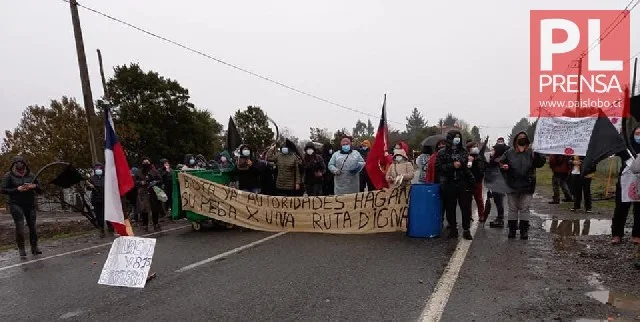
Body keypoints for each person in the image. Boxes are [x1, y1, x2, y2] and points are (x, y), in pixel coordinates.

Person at [500, 131, 546, 240]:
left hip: (527, 185)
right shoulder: (509, 153)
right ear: (516, 140)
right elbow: (501, 164)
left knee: (525, 208)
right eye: (519, 137)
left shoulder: (532, 152)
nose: (521, 139)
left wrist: (538, 154)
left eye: (524, 137)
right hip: (512, 185)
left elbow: (540, 164)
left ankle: (524, 230)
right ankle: (512, 230)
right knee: (513, 209)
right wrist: (504, 168)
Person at [435, 130, 475, 240]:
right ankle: (453, 229)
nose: (457, 139)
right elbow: (439, 167)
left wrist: (463, 163)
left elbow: (467, 165)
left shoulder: (463, 151)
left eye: (459, 137)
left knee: (465, 208)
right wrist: (452, 165)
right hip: (449, 183)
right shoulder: (442, 152)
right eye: (455, 137)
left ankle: (466, 229)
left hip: (463, 183)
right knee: (450, 208)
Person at [1, 156, 42, 257]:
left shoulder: (31, 175)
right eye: (17, 163)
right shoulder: (9, 176)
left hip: (30, 204)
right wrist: (17, 189)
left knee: (32, 226)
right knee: (20, 226)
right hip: (15, 204)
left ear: (24, 164)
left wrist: (34, 186)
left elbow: (40, 189)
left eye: (21, 162)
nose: (19, 164)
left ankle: (34, 247)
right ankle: (21, 249)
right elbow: (2, 190)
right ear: (14, 164)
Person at [612, 127, 640, 245]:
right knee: (620, 208)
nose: (639, 136)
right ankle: (617, 234)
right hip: (625, 182)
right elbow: (615, 150)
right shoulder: (626, 147)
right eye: (637, 133)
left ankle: (637, 235)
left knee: (639, 210)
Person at [486, 138, 509, 228]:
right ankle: (500, 218)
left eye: (495, 149)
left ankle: (500, 219)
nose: (493, 150)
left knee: (499, 201)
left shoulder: (500, 160)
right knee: (498, 201)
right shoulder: (497, 158)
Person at [135, 157, 162, 232]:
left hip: (153, 191)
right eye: (144, 163)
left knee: (155, 208)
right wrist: (141, 182)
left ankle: (156, 224)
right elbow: (135, 182)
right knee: (144, 209)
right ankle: (145, 225)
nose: (146, 164)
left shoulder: (154, 171)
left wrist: (155, 182)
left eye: (147, 162)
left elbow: (160, 179)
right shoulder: (139, 172)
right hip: (143, 192)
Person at [467, 143, 487, 222]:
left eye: (475, 146)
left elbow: (483, 168)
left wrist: (475, 161)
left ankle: (481, 215)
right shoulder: (466, 157)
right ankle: (469, 216)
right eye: (472, 147)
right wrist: (470, 161)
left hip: (478, 181)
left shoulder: (480, 157)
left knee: (479, 199)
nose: (474, 148)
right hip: (468, 182)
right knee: (468, 200)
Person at [87, 163, 107, 237]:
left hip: (106, 198)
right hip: (97, 199)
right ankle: (101, 229)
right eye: (96, 168)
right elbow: (88, 188)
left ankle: (111, 227)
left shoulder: (106, 177)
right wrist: (90, 186)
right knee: (99, 216)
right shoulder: (92, 178)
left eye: (100, 168)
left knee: (107, 214)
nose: (98, 169)